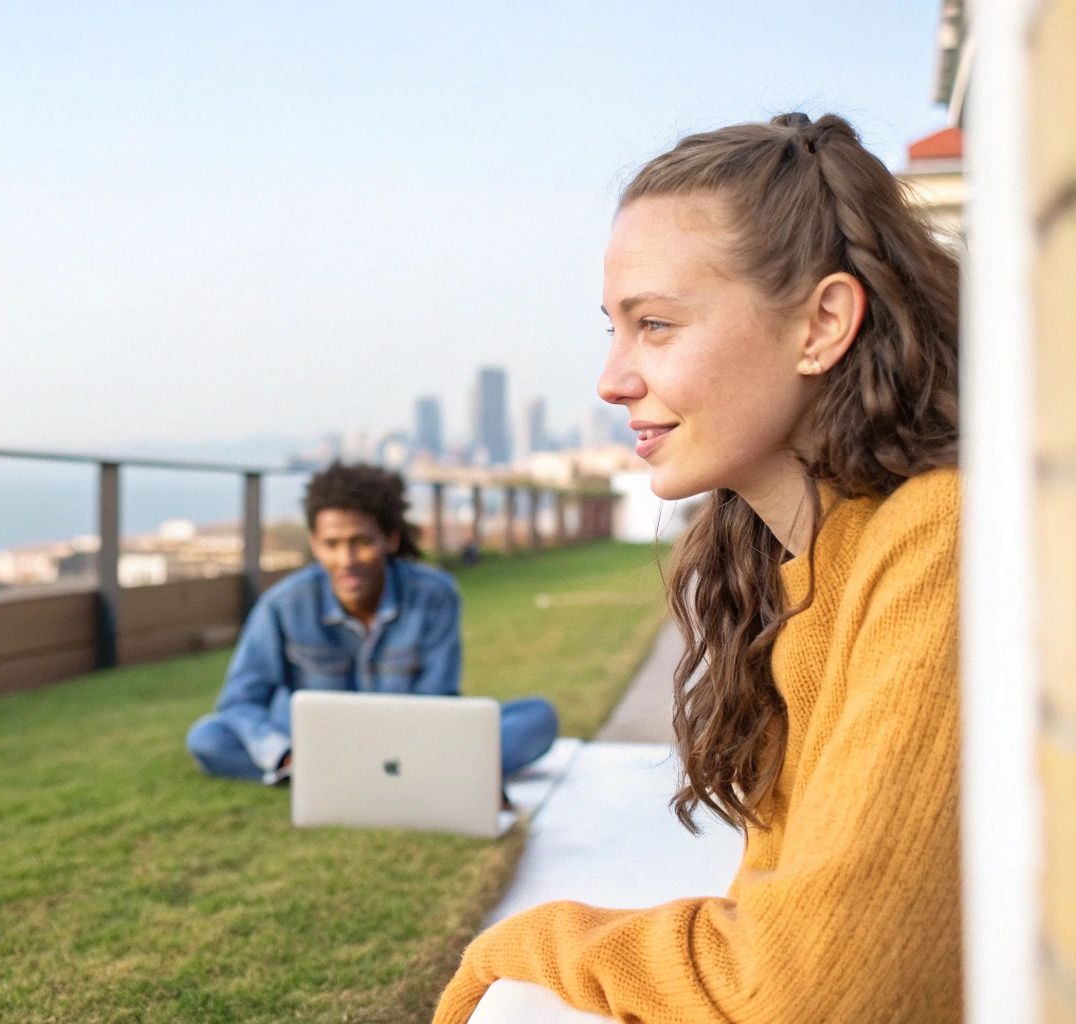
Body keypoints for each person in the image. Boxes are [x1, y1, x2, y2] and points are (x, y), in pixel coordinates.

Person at [432, 113, 962, 1022]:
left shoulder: (943, 544)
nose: (612, 378)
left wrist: (528, 942)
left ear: (822, 323)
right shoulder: (789, 565)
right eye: (615, 328)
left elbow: (818, 992)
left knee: (526, 1000)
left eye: (657, 326)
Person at [185, 462, 559, 784]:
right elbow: (239, 702)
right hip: (313, 750)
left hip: (409, 746)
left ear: (390, 539)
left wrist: (410, 748)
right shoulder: (283, 604)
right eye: (331, 544)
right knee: (208, 737)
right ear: (315, 545)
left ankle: (358, 777)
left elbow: (438, 698)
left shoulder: (434, 595)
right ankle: (366, 776)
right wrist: (283, 753)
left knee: (536, 718)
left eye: (361, 542)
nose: (346, 559)